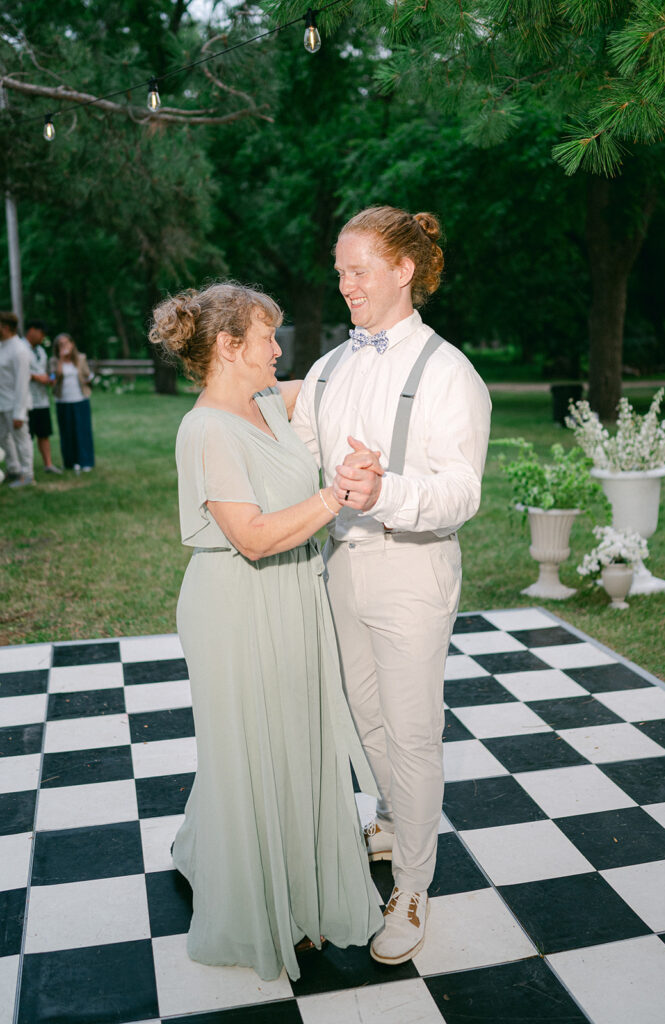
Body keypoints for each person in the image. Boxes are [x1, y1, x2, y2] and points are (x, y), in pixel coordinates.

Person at [148, 281, 382, 983]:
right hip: (236, 605)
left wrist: (379, 343)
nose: (277, 349)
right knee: (251, 748)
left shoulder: (265, 404)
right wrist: (333, 495)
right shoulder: (205, 429)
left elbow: (320, 384)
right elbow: (249, 537)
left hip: (289, 598)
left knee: (294, 743)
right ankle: (261, 901)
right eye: (265, 338)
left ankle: (284, 879)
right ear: (227, 347)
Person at [292, 206, 492, 965]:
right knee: (365, 719)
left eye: (358, 270)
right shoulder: (330, 367)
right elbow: (301, 451)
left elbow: (461, 494)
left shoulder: (450, 373)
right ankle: (391, 818)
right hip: (342, 564)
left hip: (414, 568)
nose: (344, 285)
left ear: (403, 270)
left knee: (412, 734)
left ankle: (412, 882)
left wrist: (386, 493)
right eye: (340, 271)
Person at [50, 333, 95, 472]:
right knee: (66, 432)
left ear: (72, 344)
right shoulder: (54, 361)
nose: (64, 346)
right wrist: (61, 361)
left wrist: (88, 379)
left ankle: (85, 461)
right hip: (63, 401)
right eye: (61, 344)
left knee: (82, 431)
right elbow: (52, 379)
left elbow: (88, 375)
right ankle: (69, 462)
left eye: (66, 343)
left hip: (80, 399)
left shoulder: (81, 359)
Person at [0, 310, 34, 488]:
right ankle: (13, 469)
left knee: (21, 439)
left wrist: (19, 413)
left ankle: (28, 474)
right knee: (3, 438)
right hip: (1, 403)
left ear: (5, 328)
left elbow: (22, 383)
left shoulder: (19, 349)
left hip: (15, 404)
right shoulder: (1, 346)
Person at [24, 319, 61, 474]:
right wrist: (35, 377)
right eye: (41, 333)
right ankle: (26, 467)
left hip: (42, 399)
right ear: (32, 330)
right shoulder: (20, 348)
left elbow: (45, 370)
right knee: (27, 436)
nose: (42, 337)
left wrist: (49, 378)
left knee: (44, 433)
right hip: (26, 399)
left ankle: (48, 464)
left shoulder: (41, 351)